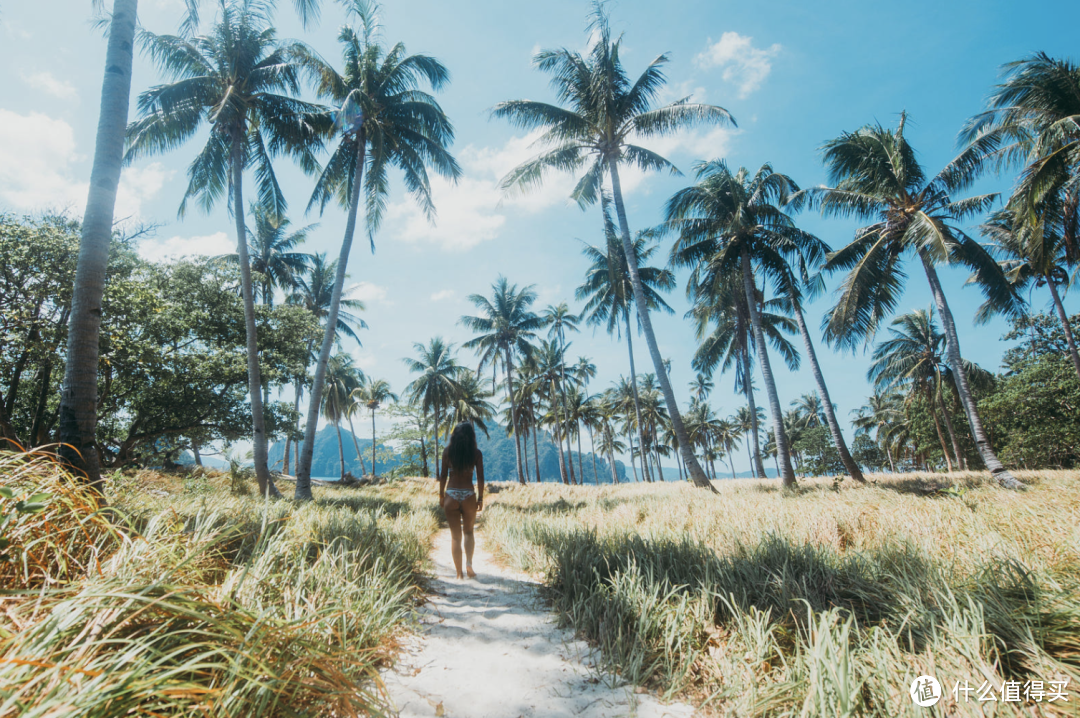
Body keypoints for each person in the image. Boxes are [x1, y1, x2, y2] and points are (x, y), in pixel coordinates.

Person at [438, 422, 484, 579]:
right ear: (472, 436)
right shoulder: (476, 453)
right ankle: (469, 564)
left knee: (455, 537)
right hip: (468, 494)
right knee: (469, 532)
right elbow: (480, 478)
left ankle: (458, 574)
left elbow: (443, 475)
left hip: (451, 494)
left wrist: (441, 496)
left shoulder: (447, 452)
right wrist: (480, 498)